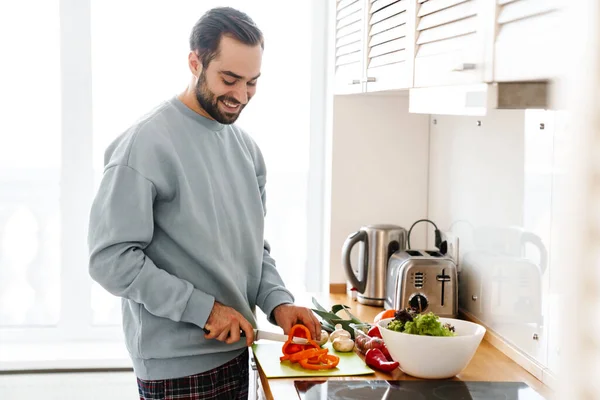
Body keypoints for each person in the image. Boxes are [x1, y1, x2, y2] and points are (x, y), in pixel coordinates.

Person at [87, 7, 320, 400]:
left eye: (252, 83)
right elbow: (110, 260)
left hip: (236, 353)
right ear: (195, 62)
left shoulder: (247, 150)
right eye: (229, 80)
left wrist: (279, 303)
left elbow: (251, 250)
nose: (241, 96)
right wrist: (206, 310)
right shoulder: (144, 145)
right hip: (175, 368)